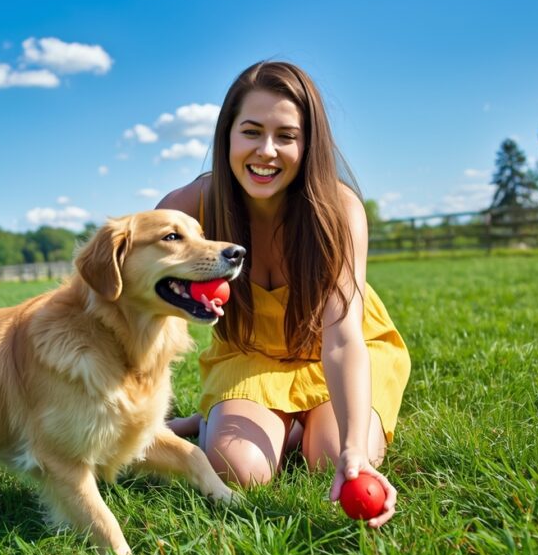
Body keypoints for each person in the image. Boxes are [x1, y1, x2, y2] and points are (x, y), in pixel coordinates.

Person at [157, 61, 410, 528]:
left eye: (286, 136)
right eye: (251, 131)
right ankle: (233, 420)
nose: (266, 151)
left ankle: (287, 425)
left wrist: (356, 449)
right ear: (227, 136)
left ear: (308, 143)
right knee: (241, 469)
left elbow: (341, 336)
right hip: (251, 353)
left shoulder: (339, 209)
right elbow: (137, 299)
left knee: (332, 457)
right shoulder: (188, 208)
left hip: (332, 347)